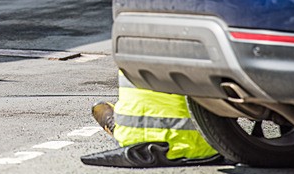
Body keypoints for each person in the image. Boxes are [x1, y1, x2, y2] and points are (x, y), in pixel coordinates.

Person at [80, 71, 222, 168]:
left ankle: (119, 126)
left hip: (133, 143)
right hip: (205, 147)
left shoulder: (128, 34)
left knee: (115, 112)